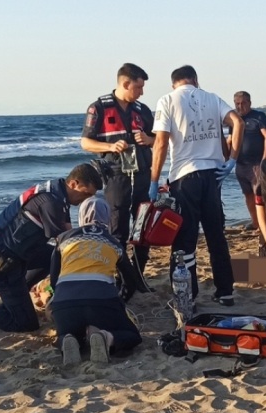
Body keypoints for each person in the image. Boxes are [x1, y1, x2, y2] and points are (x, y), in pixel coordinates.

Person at [0, 163, 102, 335]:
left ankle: (18, 296)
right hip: (1, 264)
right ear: (74, 183)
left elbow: (67, 233)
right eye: (86, 194)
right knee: (26, 324)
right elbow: (67, 243)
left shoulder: (56, 191)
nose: (85, 200)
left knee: (52, 257)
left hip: (16, 252)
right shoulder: (51, 202)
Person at [150, 65, 243, 307]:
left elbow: (160, 143)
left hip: (185, 176)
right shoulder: (212, 98)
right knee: (216, 235)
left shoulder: (167, 100)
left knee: (185, 239)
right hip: (213, 175)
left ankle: (187, 295)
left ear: (174, 84)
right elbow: (237, 122)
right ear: (195, 80)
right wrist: (232, 159)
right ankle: (225, 291)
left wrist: (153, 180)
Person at [80, 63, 156, 293]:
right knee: (118, 230)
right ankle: (122, 280)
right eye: (138, 87)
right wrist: (111, 146)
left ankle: (140, 277)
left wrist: (148, 139)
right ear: (125, 83)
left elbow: (159, 139)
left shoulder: (142, 110)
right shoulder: (98, 108)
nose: (141, 92)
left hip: (143, 176)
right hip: (115, 178)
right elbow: (85, 142)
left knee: (143, 230)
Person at [50, 197, 143, 366]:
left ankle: (68, 340)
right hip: (101, 302)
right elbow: (131, 281)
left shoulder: (63, 239)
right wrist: (120, 301)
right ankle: (106, 337)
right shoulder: (113, 243)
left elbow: (54, 279)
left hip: (65, 303)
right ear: (107, 217)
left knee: (66, 331)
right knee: (132, 335)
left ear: (81, 215)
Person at [228, 91, 266, 230]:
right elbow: (230, 140)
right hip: (240, 164)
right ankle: (255, 222)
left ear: (249, 103)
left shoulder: (259, 116)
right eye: (237, 104)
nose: (240, 106)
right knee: (247, 194)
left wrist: (265, 158)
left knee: (260, 195)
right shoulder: (234, 120)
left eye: (243, 103)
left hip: (256, 164)